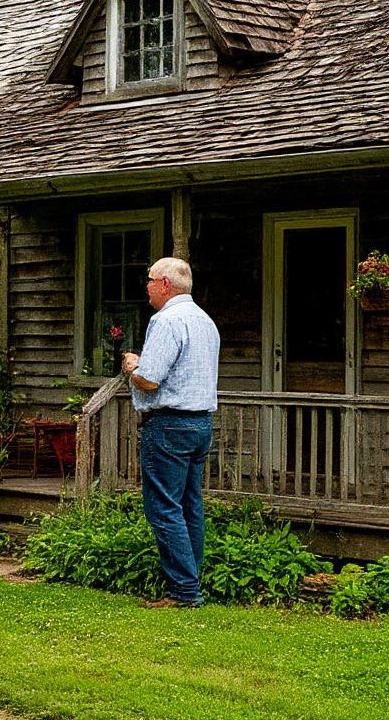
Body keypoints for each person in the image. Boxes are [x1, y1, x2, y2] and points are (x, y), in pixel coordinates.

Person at [121, 257, 220, 608]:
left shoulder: (166, 320)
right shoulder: (205, 322)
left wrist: (133, 366)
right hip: (201, 424)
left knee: (163, 508)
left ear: (164, 284)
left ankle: (184, 591)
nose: (145, 286)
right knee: (190, 506)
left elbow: (150, 378)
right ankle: (190, 583)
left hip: (169, 424)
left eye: (148, 280)